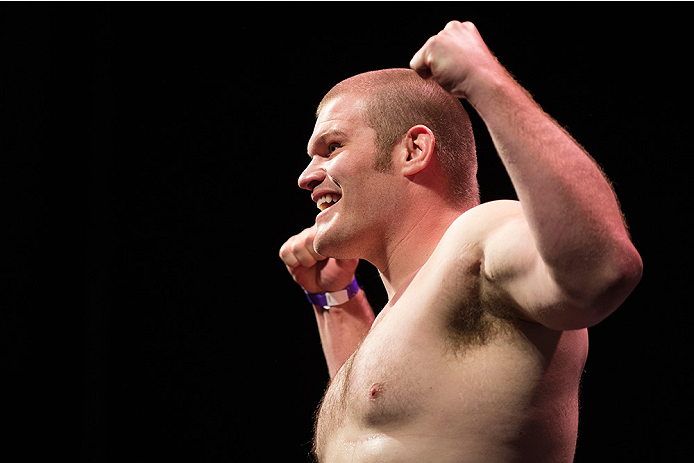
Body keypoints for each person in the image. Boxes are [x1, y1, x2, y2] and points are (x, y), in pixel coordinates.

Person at [279, 21, 642, 462]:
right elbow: (369, 426)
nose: (307, 176)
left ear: (412, 151)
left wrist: (483, 78)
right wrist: (335, 299)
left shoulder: (482, 237)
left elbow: (603, 271)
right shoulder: (410, 303)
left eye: (331, 147)